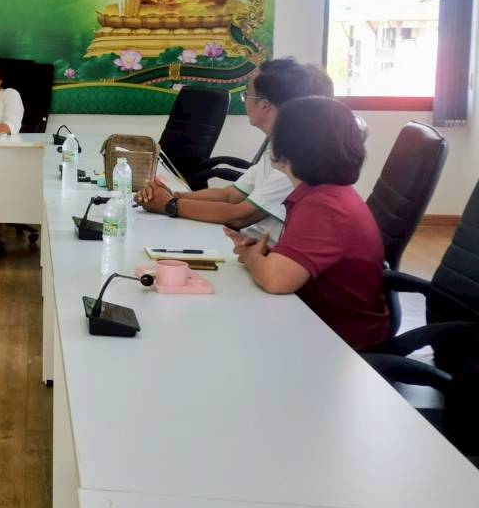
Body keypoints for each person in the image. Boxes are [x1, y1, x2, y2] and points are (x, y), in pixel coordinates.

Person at [228, 96, 390, 351]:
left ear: (291, 147)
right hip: (317, 324)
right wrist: (268, 254)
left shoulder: (323, 208)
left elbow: (275, 280)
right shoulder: (325, 194)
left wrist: (251, 256)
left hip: (342, 345)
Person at [137, 57, 312, 240]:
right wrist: (170, 195)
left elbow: (239, 215)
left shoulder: (294, 162)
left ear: (264, 106)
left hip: (264, 257)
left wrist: (169, 204)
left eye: (247, 95)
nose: (245, 101)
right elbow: (228, 195)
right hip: (243, 246)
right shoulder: (274, 149)